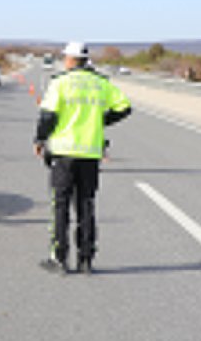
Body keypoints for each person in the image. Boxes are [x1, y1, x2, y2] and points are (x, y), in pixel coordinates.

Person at [35, 41, 132, 274]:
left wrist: (39, 139)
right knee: (86, 205)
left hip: (64, 152)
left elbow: (48, 115)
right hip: (90, 153)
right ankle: (86, 259)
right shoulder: (101, 83)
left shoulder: (60, 82)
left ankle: (59, 258)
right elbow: (124, 108)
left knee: (60, 206)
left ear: (69, 59)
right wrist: (101, 121)